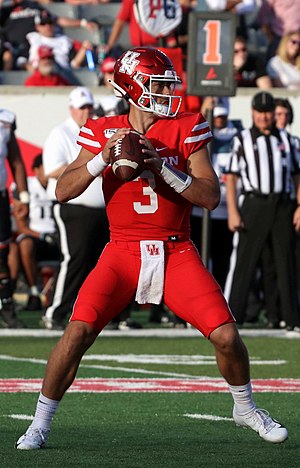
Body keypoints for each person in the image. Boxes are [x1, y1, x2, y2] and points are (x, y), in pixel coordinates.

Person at [16, 47, 288, 450]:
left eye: (166, 83)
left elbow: (210, 196)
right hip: (122, 250)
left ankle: (246, 408)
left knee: (228, 337)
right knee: (76, 333)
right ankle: (39, 422)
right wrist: (101, 161)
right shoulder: (102, 128)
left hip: (176, 249)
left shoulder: (185, 127)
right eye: (157, 84)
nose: (166, 92)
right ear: (131, 86)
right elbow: (63, 190)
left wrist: (163, 167)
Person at [224, 91, 300, 332]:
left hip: (281, 204)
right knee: (245, 262)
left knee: (284, 261)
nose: (264, 117)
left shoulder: (286, 140)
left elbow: (297, 176)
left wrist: (299, 206)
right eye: (260, 112)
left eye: (267, 112)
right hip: (254, 203)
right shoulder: (242, 139)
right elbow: (231, 179)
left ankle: (291, 318)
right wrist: (233, 211)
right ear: (253, 113)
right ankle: (233, 316)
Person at [41, 86, 109, 330]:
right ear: (71, 109)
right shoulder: (61, 133)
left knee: (101, 263)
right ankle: (55, 310)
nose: (86, 112)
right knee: (75, 259)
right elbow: (52, 170)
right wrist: (90, 167)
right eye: (82, 108)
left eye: (89, 107)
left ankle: (91, 312)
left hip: (101, 208)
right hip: (73, 205)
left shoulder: (97, 132)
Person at [191, 103, 240, 290]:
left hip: (224, 210)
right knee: (197, 261)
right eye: (216, 117)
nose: (218, 120)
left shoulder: (236, 137)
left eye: (222, 117)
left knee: (221, 262)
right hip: (200, 209)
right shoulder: (200, 136)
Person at [11, 154, 60, 312]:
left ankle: (65, 296)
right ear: (36, 169)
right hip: (36, 237)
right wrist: (42, 236)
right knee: (24, 243)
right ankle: (33, 292)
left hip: (59, 235)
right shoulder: (27, 187)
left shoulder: (61, 183)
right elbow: (20, 225)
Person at [0, 0, 97, 70]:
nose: (47, 26)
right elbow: (22, 61)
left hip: (61, 72)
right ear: (38, 26)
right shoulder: (6, 10)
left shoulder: (35, 6)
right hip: (13, 46)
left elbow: (57, 19)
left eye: (49, 24)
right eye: (43, 24)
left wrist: (82, 23)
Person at [0, 107, 28, 328]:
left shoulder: (5, 119)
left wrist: (23, 196)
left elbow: (16, 160)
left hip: (0, 196)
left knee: (2, 252)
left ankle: (6, 303)